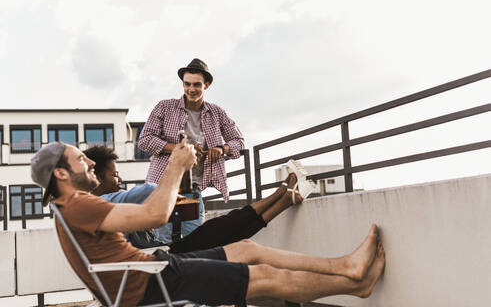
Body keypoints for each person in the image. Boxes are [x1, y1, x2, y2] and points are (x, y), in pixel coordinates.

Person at [32, 141, 385, 306]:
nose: (90, 164)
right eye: (81, 160)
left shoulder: (70, 208)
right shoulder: (78, 206)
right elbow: (154, 214)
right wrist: (178, 164)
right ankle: (354, 284)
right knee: (263, 277)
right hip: (149, 285)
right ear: (62, 174)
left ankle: (346, 266)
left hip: (152, 270)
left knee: (246, 248)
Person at [83, 145, 315, 253]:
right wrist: (177, 167)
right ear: (98, 176)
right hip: (165, 257)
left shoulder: (99, 208)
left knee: (230, 230)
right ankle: (283, 193)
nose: (120, 178)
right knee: (227, 228)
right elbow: (149, 189)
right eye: (114, 174)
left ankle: (286, 197)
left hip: (162, 253)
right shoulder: (110, 201)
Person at [138, 58, 244, 242]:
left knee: (195, 243)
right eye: (187, 84)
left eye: (197, 84)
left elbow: (239, 142)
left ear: (207, 85)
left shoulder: (216, 113)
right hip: (163, 187)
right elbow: (145, 141)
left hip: (193, 190)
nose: (191, 89)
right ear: (182, 84)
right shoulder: (164, 107)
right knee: (162, 243)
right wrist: (180, 149)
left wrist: (221, 148)